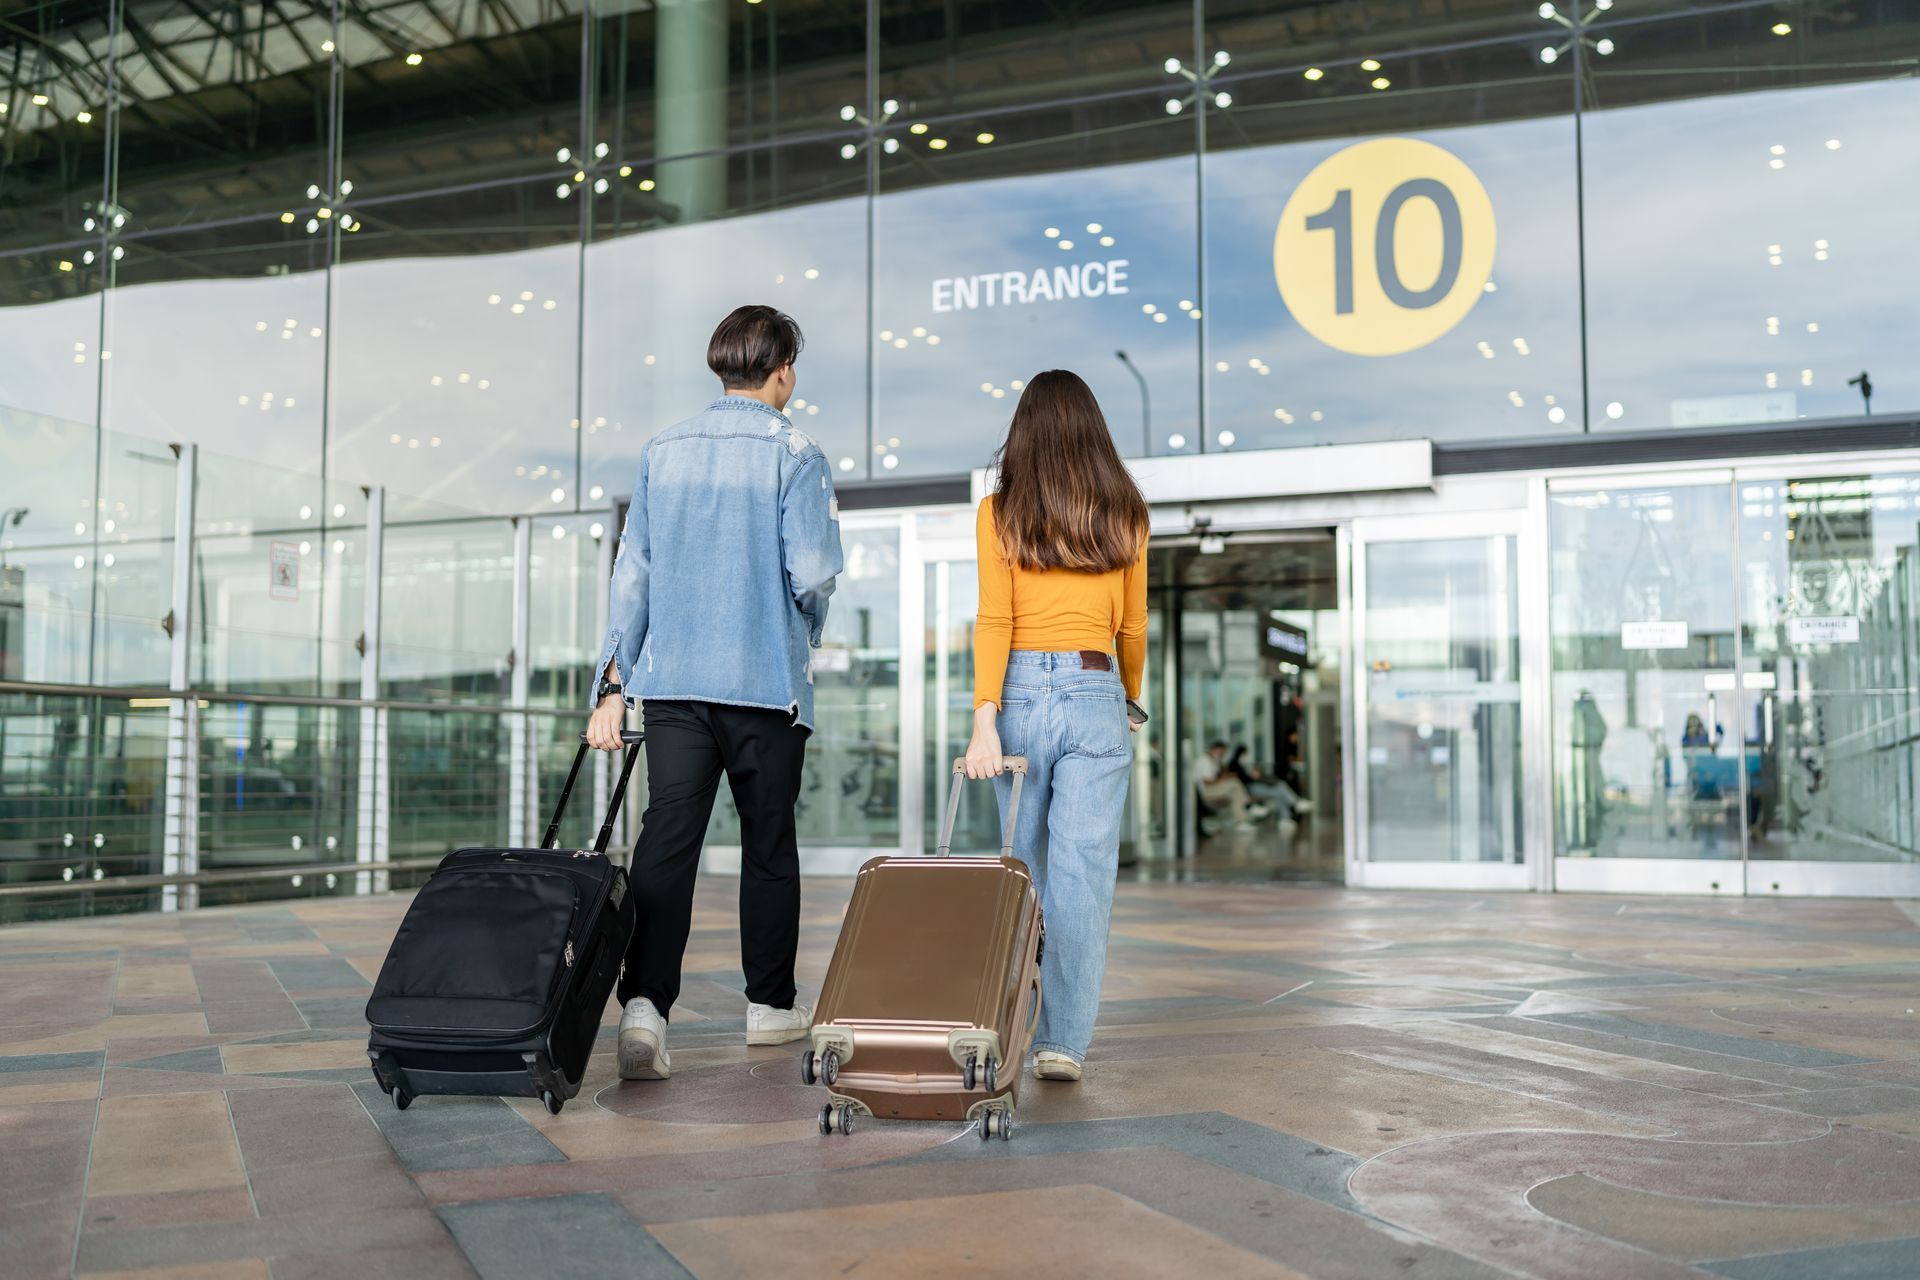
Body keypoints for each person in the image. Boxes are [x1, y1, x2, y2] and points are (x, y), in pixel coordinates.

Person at [586, 305, 844, 1081]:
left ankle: (644, 1009)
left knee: (668, 841)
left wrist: (611, 682)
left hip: (676, 690)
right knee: (768, 844)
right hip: (765, 685)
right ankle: (769, 1006)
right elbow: (814, 573)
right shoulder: (795, 452)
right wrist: (803, 632)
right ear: (784, 370)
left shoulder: (663, 453)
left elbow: (633, 576)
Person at [963, 369, 1146, 1085]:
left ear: (1024, 434)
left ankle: (1009, 1018)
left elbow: (995, 619)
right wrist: (1126, 702)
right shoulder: (1127, 512)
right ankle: (1062, 1042)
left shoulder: (998, 511)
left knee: (1022, 872)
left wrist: (986, 719)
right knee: (1083, 876)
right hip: (1098, 686)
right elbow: (1132, 629)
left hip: (1017, 697)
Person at [1197, 741, 1271, 829]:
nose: (1223, 754)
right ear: (1215, 749)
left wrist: (1223, 770)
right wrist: (1224, 779)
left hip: (1214, 789)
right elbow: (1207, 781)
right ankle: (1249, 807)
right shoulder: (1204, 761)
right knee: (1235, 783)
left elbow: (1221, 775)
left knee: (1234, 794)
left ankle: (1242, 823)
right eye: (1222, 752)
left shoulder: (1214, 761)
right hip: (1207, 791)